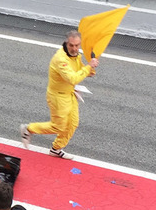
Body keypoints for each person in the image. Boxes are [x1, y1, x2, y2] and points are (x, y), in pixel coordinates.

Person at [20, 30, 99, 160]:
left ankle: (56, 149)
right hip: (58, 97)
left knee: (73, 124)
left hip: (70, 93)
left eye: (77, 45)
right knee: (59, 126)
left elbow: (79, 69)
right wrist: (87, 68)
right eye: (71, 45)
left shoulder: (76, 55)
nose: (74, 48)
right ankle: (28, 129)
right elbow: (73, 78)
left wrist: (90, 69)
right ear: (66, 43)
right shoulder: (60, 59)